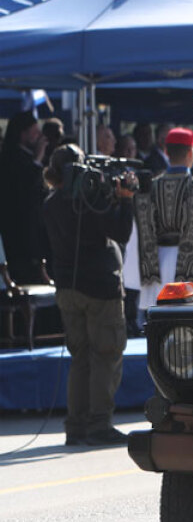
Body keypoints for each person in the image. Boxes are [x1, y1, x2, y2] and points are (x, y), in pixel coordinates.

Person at [41, 144, 136, 446]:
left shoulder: (50, 202)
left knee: (80, 358)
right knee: (105, 357)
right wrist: (125, 201)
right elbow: (121, 232)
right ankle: (99, 424)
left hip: (68, 289)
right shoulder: (91, 200)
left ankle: (76, 425)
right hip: (100, 290)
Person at [125, 128, 193, 313]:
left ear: (166, 152)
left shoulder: (148, 189)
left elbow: (138, 233)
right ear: (191, 153)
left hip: (157, 265)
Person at [0, 110, 52, 284]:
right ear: (23, 134)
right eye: (34, 131)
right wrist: (37, 160)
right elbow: (25, 190)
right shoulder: (11, 159)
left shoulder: (29, 158)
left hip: (35, 235)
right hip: (19, 236)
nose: (39, 136)